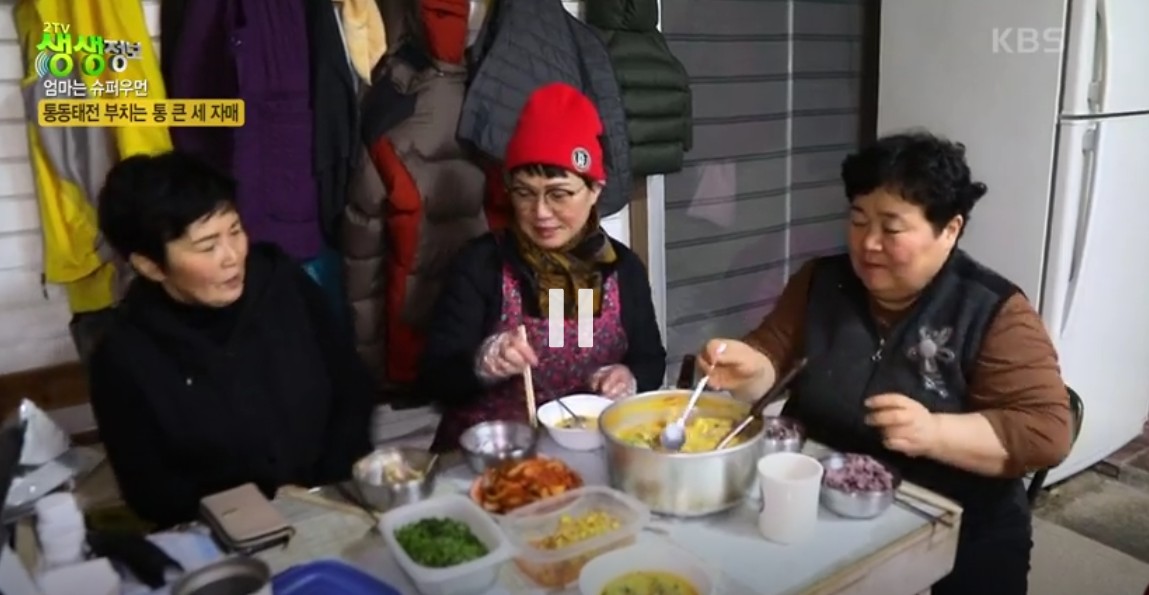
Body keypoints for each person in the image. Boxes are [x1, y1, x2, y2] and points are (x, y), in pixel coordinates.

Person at [698, 132, 1072, 595]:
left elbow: (1046, 431)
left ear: (950, 230)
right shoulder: (822, 281)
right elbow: (772, 355)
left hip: (959, 523)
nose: (868, 243)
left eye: (891, 229)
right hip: (821, 505)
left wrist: (935, 433)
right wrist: (751, 368)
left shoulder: (992, 309)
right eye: (858, 220)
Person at [88, 152, 376, 528]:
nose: (232, 257)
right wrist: (253, 513)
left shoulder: (281, 282)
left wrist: (329, 487)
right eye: (208, 246)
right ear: (150, 266)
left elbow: (351, 384)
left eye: (235, 231)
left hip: (334, 501)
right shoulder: (123, 355)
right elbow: (150, 491)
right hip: (226, 533)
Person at [419, 82, 666, 452]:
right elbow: (436, 378)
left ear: (595, 189)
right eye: (524, 193)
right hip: (492, 456)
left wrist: (628, 377)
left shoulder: (622, 269)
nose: (541, 213)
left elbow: (651, 361)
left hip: (588, 451)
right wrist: (483, 363)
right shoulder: (482, 264)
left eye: (559, 194)